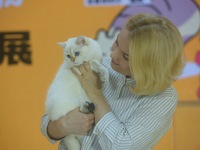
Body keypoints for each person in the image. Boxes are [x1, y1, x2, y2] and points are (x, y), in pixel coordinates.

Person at [41, 13, 185, 150]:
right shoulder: (98, 64)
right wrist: (64, 125)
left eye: (126, 56)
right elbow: (47, 123)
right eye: (116, 42)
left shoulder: (163, 98)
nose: (112, 54)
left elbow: (120, 145)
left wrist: (95, 94)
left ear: (149, 64)